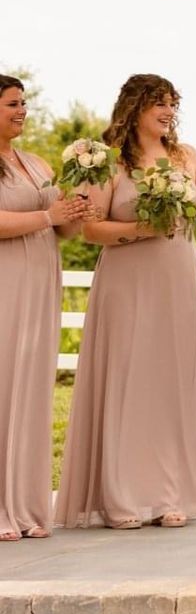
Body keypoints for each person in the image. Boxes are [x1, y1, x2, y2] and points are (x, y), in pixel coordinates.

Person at [57, 74, 196, 529]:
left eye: (173, 103)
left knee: (174, 383)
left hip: (180, 277)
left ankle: (168, 493)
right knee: (130, 380)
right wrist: (143, 231)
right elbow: (92, 230)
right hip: (129, 283)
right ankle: (124, 498)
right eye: (160, 103)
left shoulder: (186, 155)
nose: (170, 111)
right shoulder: (111, 161)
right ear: (135, 108)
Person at [0, 76, 96, 540]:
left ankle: (25, 505)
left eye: (24, 103)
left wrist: (76, 210)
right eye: (12, 104)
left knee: (31, 391)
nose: (22, 111)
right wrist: (47, 215)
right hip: (6, 285)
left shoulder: (34, 162)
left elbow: (62, 232)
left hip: (40, 284)